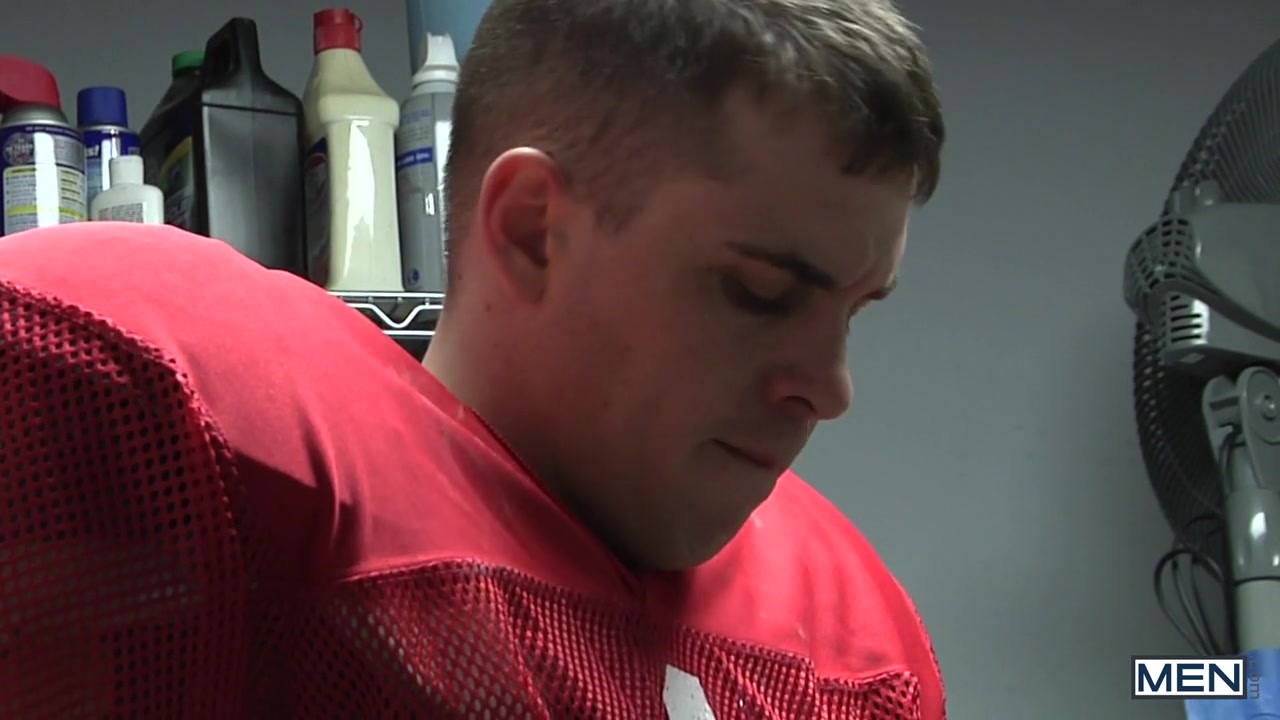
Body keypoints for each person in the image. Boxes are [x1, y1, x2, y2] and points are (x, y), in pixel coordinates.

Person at [0, 0, 945, 717]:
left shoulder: (855, 651)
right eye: (761, 293)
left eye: (853, 310)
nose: (830, 390)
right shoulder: (172, 435)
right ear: (533, 230)